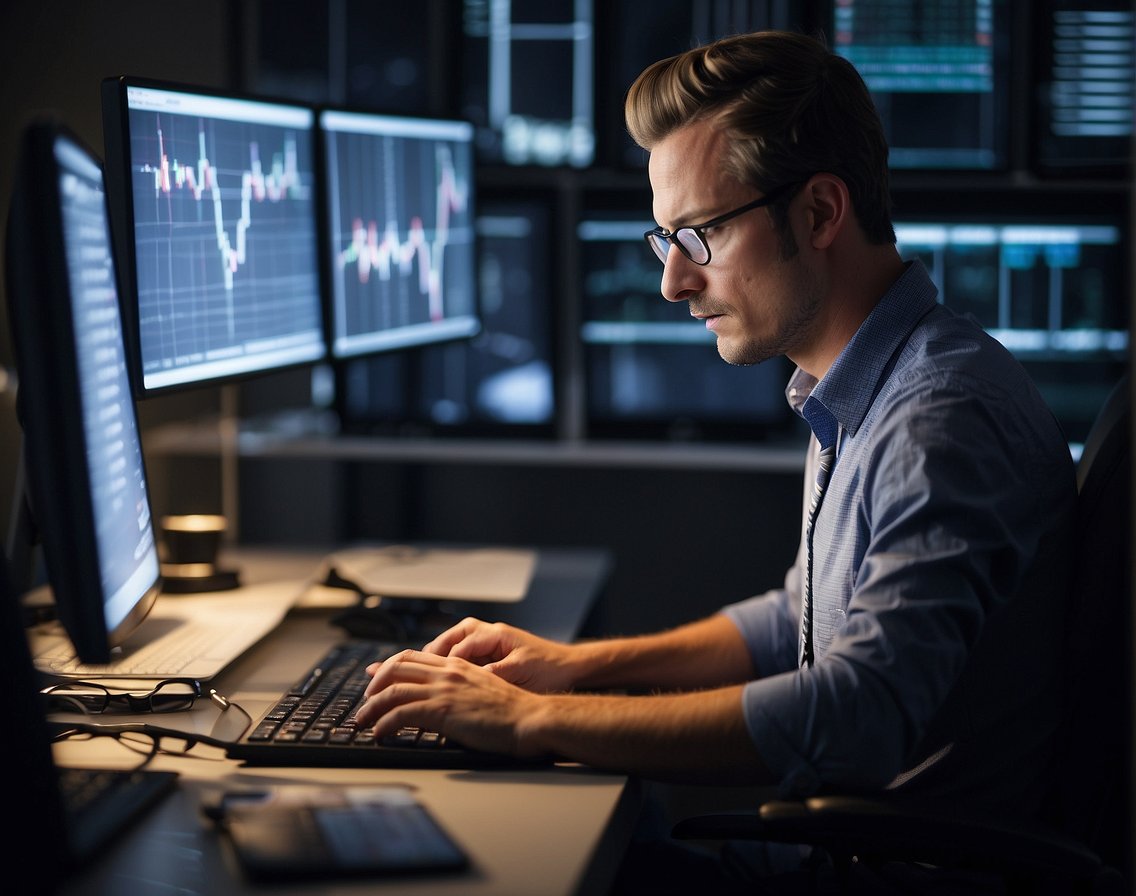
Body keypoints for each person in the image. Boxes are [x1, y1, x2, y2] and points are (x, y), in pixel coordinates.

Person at [353, 29, 1077, 890]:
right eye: (665, 240)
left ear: (817, 213)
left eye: (697, 235)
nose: (672, 283)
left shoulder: (939, 422)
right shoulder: (860, 387)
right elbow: (796, 620)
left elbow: (860, 714)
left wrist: (535, 718)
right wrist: (571, 665)